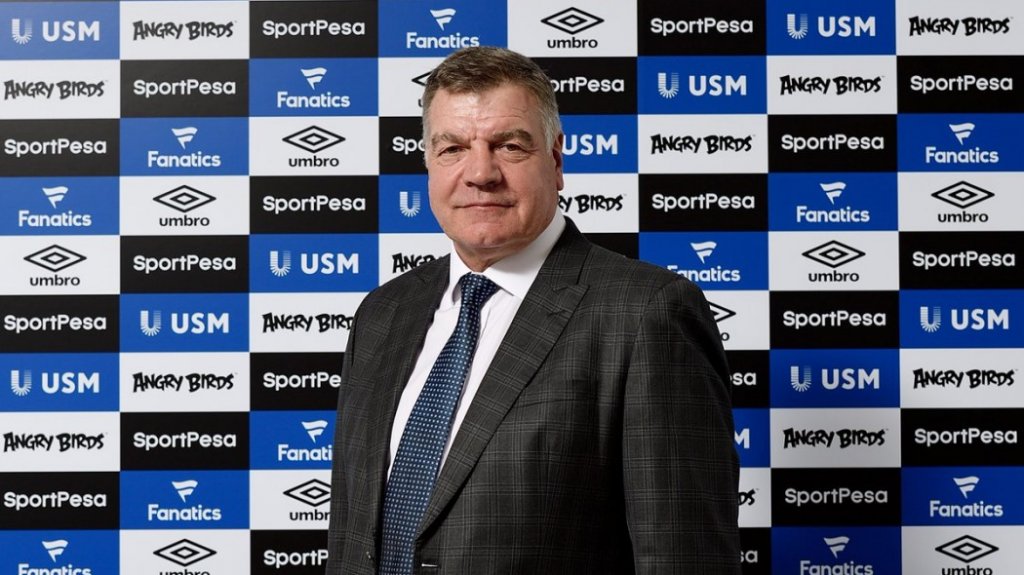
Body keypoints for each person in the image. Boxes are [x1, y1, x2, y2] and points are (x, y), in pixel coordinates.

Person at [326, 46, 740, 574]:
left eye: (509, 146)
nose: (480, 173)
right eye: (453, 148)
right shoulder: (383, 314)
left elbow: (686, 558)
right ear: (428, 162)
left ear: (556, 159)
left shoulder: (646, 314)